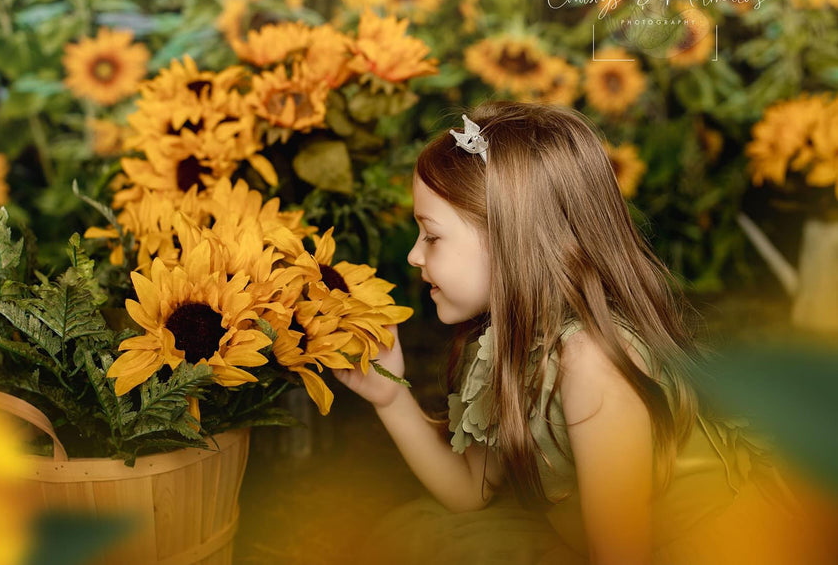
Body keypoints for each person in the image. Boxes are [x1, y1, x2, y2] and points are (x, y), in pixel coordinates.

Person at [334, 101, 831, 565]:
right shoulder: (504, 343)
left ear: (512, 240)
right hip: (595, 543)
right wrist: (389, 397)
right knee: (415, 534)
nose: (414, 256)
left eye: (433, 235)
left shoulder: (591, 363)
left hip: (694, 550)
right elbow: (469, 491)